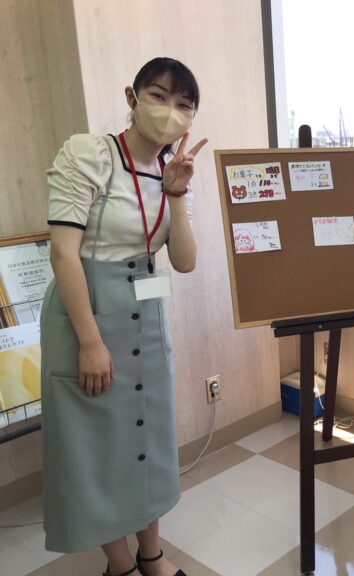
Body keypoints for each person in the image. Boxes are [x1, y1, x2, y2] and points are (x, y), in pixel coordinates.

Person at [41, 57, 208, 576]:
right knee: (98, 448)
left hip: (145, 314)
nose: (169, 111)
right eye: (158, 96)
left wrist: (176, 194)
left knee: (146, 439)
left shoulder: (170, 172)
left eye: (184, 104)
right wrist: (90, 342)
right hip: (86, 313)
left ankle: (151, 554)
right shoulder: (89, 154)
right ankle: (121, 565)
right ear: (131, 97)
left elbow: (184, 261)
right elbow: (64, 253)